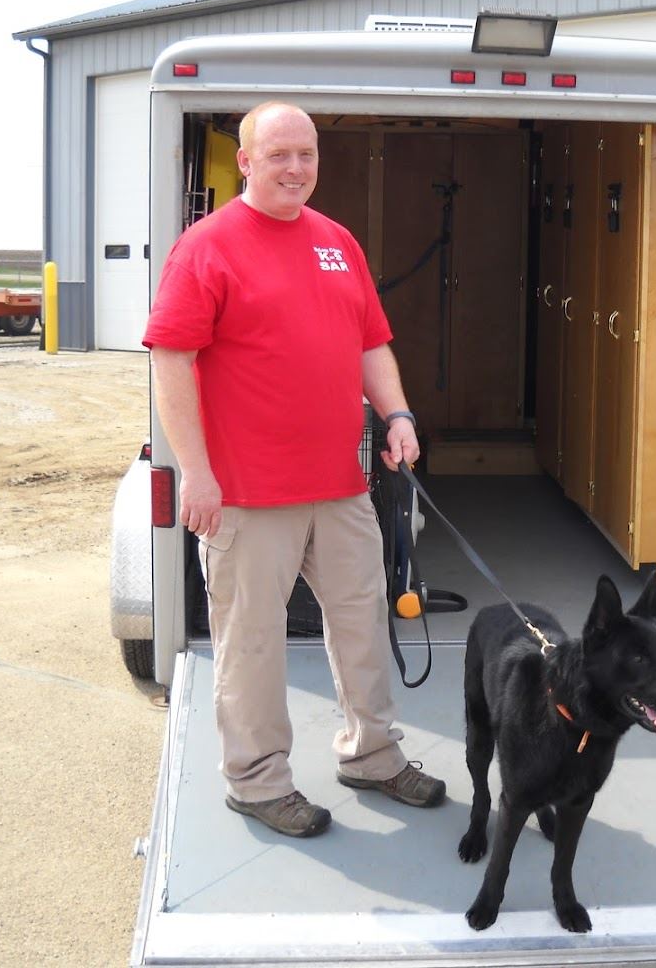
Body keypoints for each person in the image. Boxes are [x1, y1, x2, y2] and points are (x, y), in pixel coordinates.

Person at [142, 101, 445, 838]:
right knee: (251, 643)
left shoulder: (337, 243)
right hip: (247, 494)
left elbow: (370, 343)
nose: (295, 168)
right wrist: (196, 473)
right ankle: (257, 782)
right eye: (277, 154)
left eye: (306, 154)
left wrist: (398, 414)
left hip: (339, 486)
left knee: (362, 623)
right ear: (244, 161)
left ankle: (372, 755)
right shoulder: (206, 248)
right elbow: (172, 359)